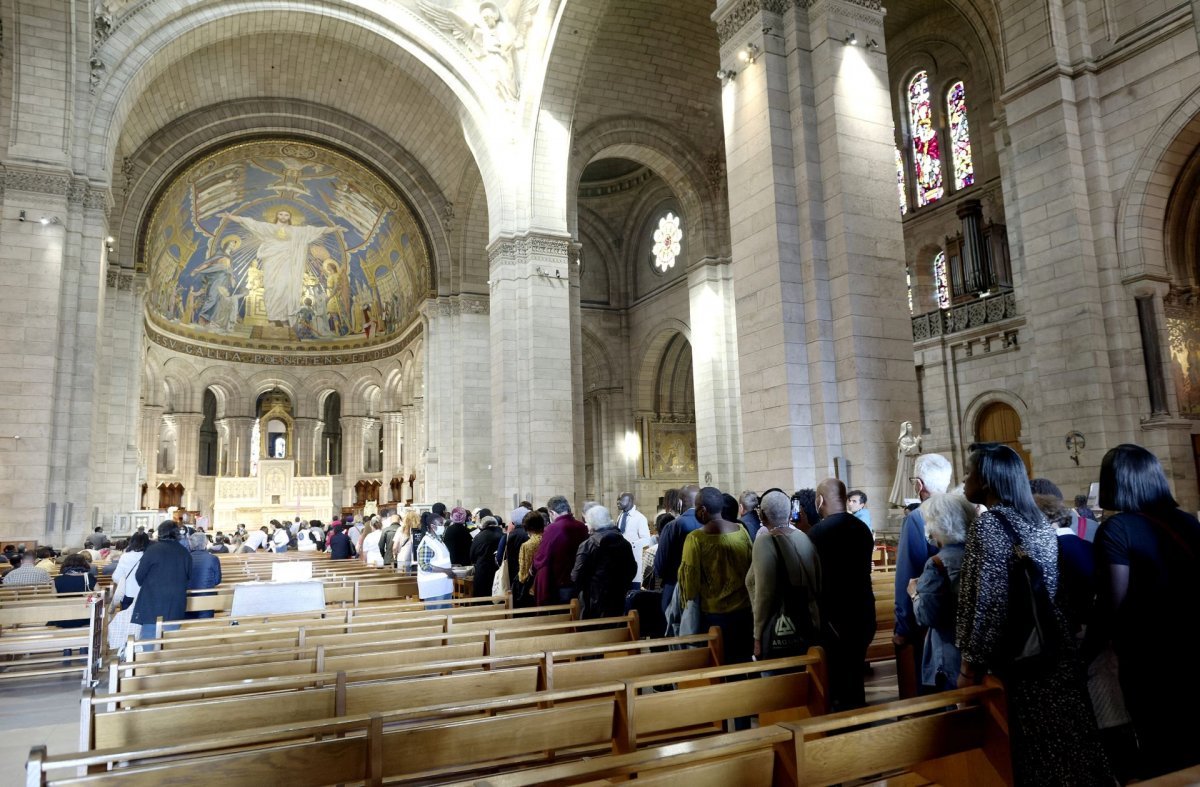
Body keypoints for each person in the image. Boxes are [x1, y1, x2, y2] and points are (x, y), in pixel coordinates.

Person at [957, 443, 1111, 785]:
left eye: (969, 472)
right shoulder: (1039, 523)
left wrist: (970, 664)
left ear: (987, 480)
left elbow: (982, 603)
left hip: (1020, 662)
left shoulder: (988, 528)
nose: (965, 479)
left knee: (1030, 755)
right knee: (1066, 751)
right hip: (1054, 652)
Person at [1088, 444, 1200, 779]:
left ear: (1113, 482)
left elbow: (1112, 604)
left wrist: (1086, 651)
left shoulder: (1117, 529)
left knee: (1163, 752)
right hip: (1194, 650)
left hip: (1152, 660)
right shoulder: (1188, 522)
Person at [808, 478, 876, 710]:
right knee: (855, 673)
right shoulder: (862, 529)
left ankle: (842, 730)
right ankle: (859, 719)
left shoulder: (817, 532)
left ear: (820, 500)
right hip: (863, 611)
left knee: (837, 680)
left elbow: (812, 577)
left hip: (833, 617)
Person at [894, 452, 951, 698]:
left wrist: (903, 625)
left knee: (929, 693)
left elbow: (908, 572)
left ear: (919, 485)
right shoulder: (965, 510)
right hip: (961, 618)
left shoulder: (918, 518)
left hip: (928, 620)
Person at [678, 487, 755, 664]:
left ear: (702, 510)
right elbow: (752, 570)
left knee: (717, 667)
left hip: (713, 617)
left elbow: (690, 584)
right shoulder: (742, 532)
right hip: (743, 614)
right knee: (741, 666)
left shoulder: (696, 538)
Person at [746, 489, 821, 660]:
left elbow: (764, 594)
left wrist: (757, 636)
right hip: (809, 620)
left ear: (762, 515)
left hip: (779, 626)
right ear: (789, 513)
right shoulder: (804, 538)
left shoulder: (764, 543)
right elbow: (818, 582)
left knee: (776, 680)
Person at [909, 493, 972, 691]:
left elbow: (927, 616)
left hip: (950, 652)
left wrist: (914, 593)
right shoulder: (976, 553)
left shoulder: (937, 563)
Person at [132, 521, 192, 648]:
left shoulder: (152, 550)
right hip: (175, 604)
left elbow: (139, 576)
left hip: (152, 603)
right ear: (177, 534)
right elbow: (188, 578)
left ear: (160, 533)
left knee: (149, 643)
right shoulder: (184, 552)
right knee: (170, 644)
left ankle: (148, 666)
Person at [572, 505, 638, 618]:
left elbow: (576, 576)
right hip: (618, 599)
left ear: (593, 523)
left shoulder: (588, 545)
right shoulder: (624, 542)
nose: (586, 525)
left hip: (592, 602)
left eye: (587, 522)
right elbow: (632, 569)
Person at [653, 484, 701, 614]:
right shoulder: (710, 524)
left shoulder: (672, 526)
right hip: (705, 590)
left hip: (675, 586)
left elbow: (659, 565)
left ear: (680, 503)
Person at [532, 496, 588, 605]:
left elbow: (542, 557)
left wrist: (533, 567)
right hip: (579, 581)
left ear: (552, 512)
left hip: (559, 583)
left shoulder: (552, 528)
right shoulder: (582, 526)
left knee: (561, 616)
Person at [416, 512, 455, 609]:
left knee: (447, 616)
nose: (443, 526)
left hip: (444, 585)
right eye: (441, 524)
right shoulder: (427, 542)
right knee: (435, 617)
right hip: (433, 588)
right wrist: (445, 570)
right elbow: (424, 565)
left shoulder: (438, 539)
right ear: (433, 526)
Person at [614, 492, 652, 589]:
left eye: (621, 499)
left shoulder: (640, 518)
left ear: (630, 500)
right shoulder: (620, 516)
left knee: (633, 587)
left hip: (634, 558)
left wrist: (630, 544)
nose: (618, 502)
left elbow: (647, 539)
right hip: (621, 558)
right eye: (617, 499)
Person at [186, 532, 222, 619]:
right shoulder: (213, 558)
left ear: (191, 544)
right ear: (205, 543)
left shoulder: (185, 558)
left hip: (187, 598)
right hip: (206, 598)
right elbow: (217, 580)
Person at [111, 531, 149, 611]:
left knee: (126, 621)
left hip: (129, 593)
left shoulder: (125, 556)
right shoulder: (150, 556)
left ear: (132, 541)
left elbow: (116, 577)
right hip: (145, 595)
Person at [888, 420, 921, 506]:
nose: (911, 427)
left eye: (911, 425)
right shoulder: (902, 439)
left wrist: (919, 444)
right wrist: (916, 444)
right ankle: (904, 501)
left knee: (914, 480)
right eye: (908, 426)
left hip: (913, 461)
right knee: (906, 479)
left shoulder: (913, 438)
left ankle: (914, 499)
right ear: (904, 428)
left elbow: (918, 450)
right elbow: (906, 450)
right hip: (906, 462)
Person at [514, 511, 543, 606]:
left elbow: (523, 574)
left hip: (532, 587)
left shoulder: (527, 545)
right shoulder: (548, 539)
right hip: (548, 584)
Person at [470, 516, 503, 597]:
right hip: (499, 570)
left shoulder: (479, 536)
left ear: (483, 525)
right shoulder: (503, 535)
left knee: (482, 597)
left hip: (482, 570)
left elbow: (472, 555)